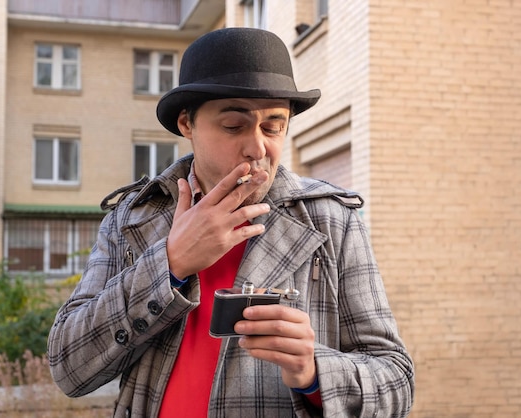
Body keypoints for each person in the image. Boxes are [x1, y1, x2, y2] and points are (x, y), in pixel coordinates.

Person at [47, 27, 414, 418]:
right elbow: (69, 369)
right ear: (187, 124)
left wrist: (314, 370)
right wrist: (170, 263)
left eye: (273, 126)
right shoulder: (133, 217)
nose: (257, 147)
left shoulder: (332, 220)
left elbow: (397, 381)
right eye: (233, 126)